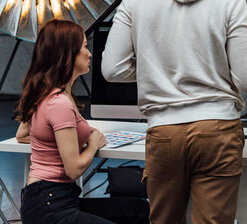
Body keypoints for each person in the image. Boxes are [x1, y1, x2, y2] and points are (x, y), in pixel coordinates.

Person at [101, 0, 247, 224]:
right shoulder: (231, 1)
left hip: (163, 132)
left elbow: (112, 69)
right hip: (218, 130)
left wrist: (155, 67)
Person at [14, 19, 149, 224]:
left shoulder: (46, 94)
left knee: (139, 209)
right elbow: (74, 169)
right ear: (68, 54)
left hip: (53, 198)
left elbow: (23, 135)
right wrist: (92, 144)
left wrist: (64, 139)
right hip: (49, 206)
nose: (90, 53)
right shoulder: (59, 103)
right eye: (85, 47)